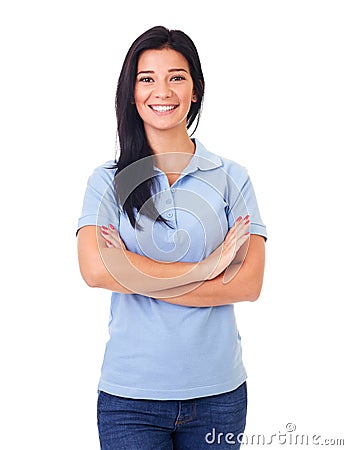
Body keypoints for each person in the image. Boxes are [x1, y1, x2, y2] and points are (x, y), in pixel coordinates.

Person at [77, 25, 267, 450]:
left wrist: (134, 272)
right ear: (131, 92)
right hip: (131, 399)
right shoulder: (106, 182)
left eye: (176, 77)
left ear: (195, 90)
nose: (162, 90)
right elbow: (95, 270)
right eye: (147, 79)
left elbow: (249, 284)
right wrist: (208, 269)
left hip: (219, 395)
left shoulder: (232, 178)